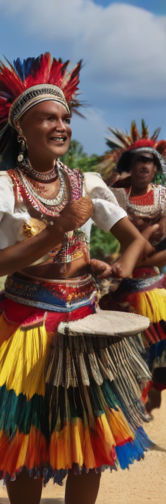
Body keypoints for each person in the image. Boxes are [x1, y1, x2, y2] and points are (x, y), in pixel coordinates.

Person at [0, 53, 151, 504]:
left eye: (65, 118)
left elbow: (134, 242)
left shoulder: (88, 184)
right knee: (25, 433)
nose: (60, 126)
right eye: (47, 118)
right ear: (22, 129)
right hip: (25, 322)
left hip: (84, 322)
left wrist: (117, 270)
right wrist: (55, 230)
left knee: (88, 433)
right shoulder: (3, 187)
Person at [98, 120, 166, 415]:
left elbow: (153, 250)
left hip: (154, 280)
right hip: (124, 279)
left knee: (154, 343)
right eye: (139, 159)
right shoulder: (115, 197)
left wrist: (145, 237)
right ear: (129, 163)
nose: (145, 166)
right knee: (126, 345)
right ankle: (134, 396)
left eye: (150, 161)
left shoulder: (164, 196)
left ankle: (151, 390)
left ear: (156, 168)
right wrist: (147, 234)